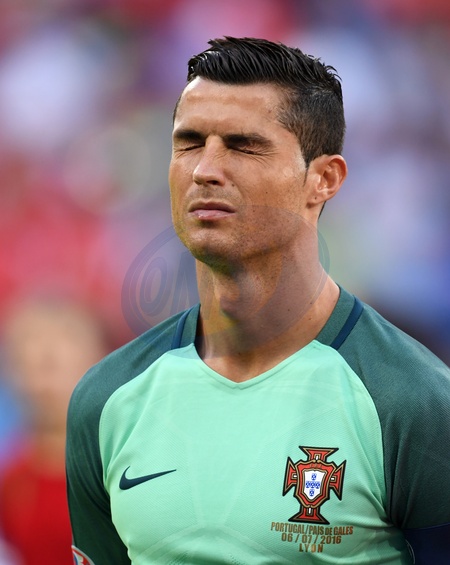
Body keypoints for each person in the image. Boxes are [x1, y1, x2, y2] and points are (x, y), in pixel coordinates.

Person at [66, 37, 450, 565]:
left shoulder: (413, 404)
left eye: (244, 145)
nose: (205, 169)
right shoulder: (107, 400)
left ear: (324, 179)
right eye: (189, 142)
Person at [0, 296, 109, 565]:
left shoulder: (118, 470)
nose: (46, 380)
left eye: (55, 363)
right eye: (30, 361)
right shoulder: (12, 484)